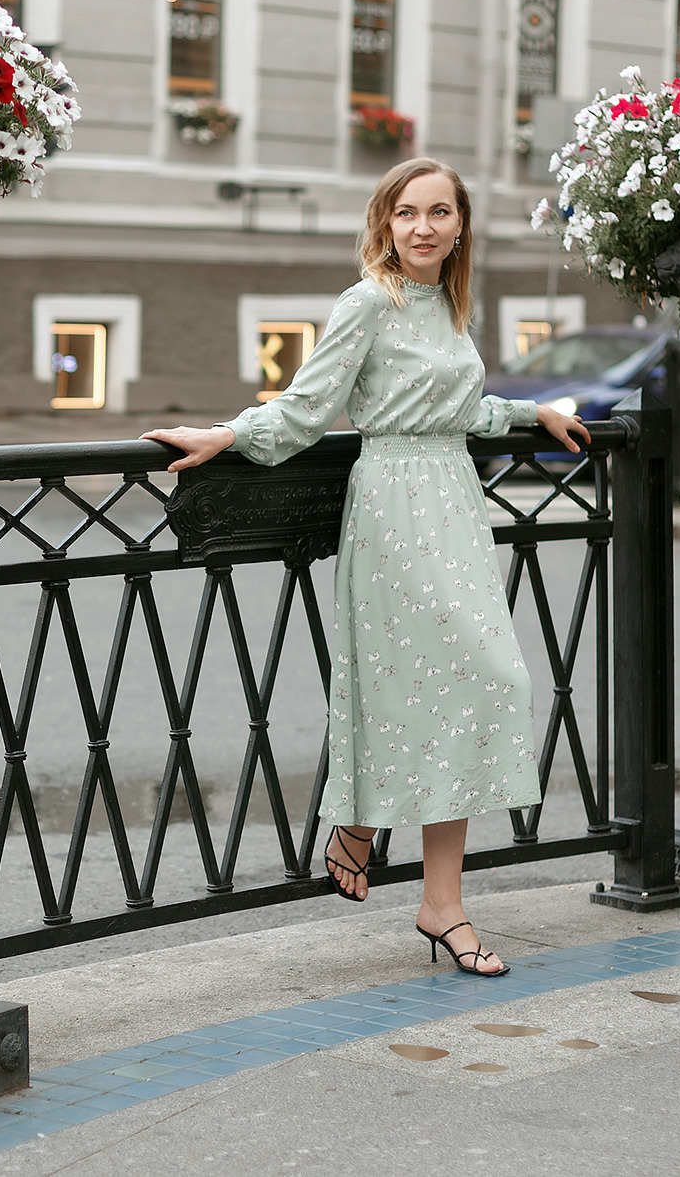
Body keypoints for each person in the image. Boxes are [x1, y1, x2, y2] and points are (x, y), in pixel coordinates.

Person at [141, 157, 589, 977]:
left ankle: (435, 898)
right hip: (392, 507)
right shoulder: (366, 302)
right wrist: (226, 436)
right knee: (420, 686)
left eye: (440, 213)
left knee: (478, 685)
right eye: (407, 212)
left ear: (460, 226)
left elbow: (461, 407)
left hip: (454, 499)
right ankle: (364, 825)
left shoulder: (453, 307)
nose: (423, 227)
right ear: (385, 223)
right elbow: (309, 408)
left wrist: (533, 412)